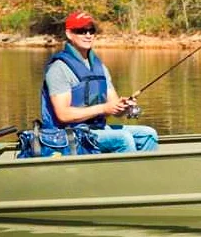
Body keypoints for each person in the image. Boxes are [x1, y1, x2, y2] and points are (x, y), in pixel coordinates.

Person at [40, 10, 158, 153]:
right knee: (123, 138)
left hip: (95, 130)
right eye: (81, 31)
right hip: (67, 135)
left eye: (91, 30)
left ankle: (143, 174)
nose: (88, 35)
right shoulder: (58, 69)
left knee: (148, 134)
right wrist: (103, 108)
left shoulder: (99, 67)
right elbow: (63, 114)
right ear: (69, 34)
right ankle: (128, 174)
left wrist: (123, 107)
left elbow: (114, 108)